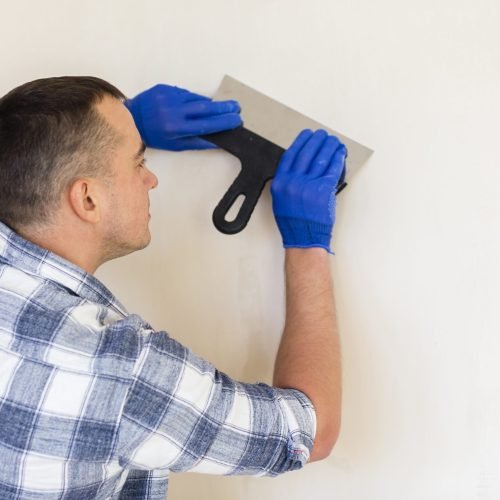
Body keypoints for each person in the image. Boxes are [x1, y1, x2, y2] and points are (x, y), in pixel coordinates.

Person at [0, 76, 345, 499]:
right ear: (87, 199)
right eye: (138, 162)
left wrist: (128, 126)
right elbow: (312, 428)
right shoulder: (119, 372)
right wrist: (307, 243)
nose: (152, 180)